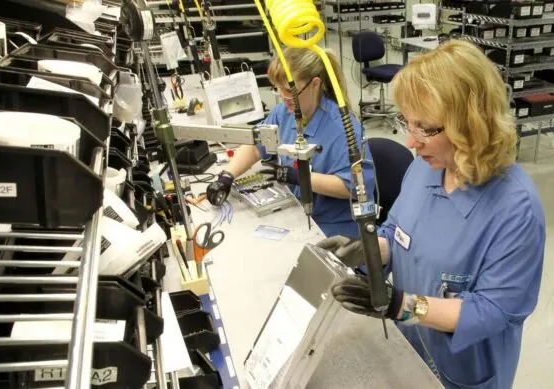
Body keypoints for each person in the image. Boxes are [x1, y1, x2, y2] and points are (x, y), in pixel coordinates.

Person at [320, 40, 546, 389]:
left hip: (463, 370)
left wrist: (401, 305)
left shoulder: (515, 208)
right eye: (407, 123)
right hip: (408, 347)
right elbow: (398, 232)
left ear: (471, 124)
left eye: (425, 129)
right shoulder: (426, 168)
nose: (411, 142)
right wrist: (367, 250)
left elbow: (492, 311)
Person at [206, 47, 376, 238]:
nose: (282, 97)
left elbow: (354, 187)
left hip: (333, 228)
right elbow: (257, 144)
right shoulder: (285, 112)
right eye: (278, 88)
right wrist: (227, 176)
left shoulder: (343, 128)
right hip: (296, 213)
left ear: (315, 84)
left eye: (289, 90)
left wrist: (298, 177)